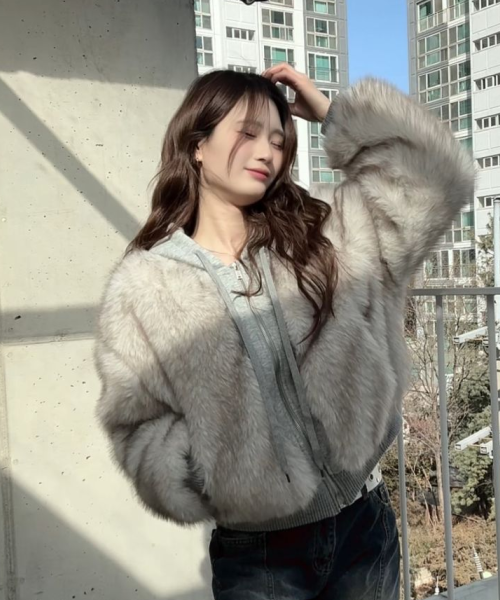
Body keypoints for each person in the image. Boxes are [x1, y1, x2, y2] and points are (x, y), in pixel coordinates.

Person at [94, 64, 474, 600]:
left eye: (278, 139)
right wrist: (215, 475)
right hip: (259, 555)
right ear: (197, 145)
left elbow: (439, 180)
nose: (267, 152)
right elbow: (136, 426)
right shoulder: (147, 283)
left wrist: (333, 114)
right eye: (247, 133)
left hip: (364, 528)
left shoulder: (325, 234)